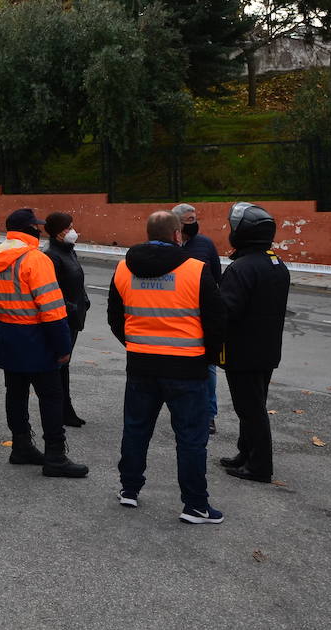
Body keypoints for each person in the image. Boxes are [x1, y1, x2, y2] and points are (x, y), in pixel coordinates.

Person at [108, 210, 227, 523]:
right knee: (190, 438)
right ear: (178, 235)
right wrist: (208, 356)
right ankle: (195, 505)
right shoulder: (195, 270)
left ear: (148, 234)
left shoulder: (123, 268)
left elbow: (114, 318)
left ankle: (129, 490)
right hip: (188, 368)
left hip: (141, 364)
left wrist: (136, 344)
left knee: (136, 429)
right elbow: (217, 322)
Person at [0, 208, 88, 478]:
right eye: (37, 227)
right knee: (51, 397)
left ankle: (21, 446)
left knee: (15, 394)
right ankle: (55, 456)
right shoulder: (35, 260)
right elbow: (52, 309)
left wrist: (4, 331)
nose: (40, 231)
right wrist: (63, 347)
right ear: (30, 229)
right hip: (37, 337)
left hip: (9, 335)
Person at [218, 202, 291, 483]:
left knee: (250, 410)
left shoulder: (242, 268)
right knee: (254, 404)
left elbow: (227, 311)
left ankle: (259, 465)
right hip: (266, 349)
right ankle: (245, 453)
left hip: (243, 351)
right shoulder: (274, 263)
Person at [172, 202, 222, 434]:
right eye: (189, 219)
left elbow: (217, 277)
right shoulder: (171, 246)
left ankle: (209, 414)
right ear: (177, 224)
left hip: (203, 314)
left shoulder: (205, 244)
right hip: (177, 314)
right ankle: (182, 409)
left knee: (209, 368)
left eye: (195, 218)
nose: (195, 222)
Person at [44, 211, 90, 427]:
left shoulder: (68, 251)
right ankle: (61, 410)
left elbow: (76, 280)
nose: (73, 231)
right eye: (68, 227)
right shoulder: (51, 255)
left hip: (73, 317)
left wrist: (85, 300)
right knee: (60, 365)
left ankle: (65, 409)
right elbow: (51, 289)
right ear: (57, 231)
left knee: (64, 365)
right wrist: (71, 308)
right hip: (63, 317)